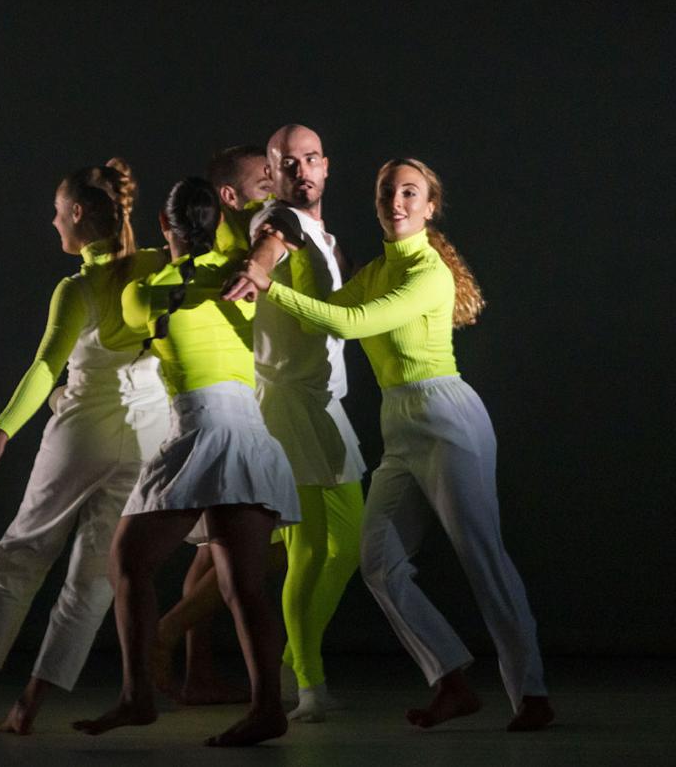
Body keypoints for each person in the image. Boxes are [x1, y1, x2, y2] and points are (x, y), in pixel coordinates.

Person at [225, 157, 555, 732]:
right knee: (378, 563)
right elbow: (317, 312)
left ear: (430, 207)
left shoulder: (428, 273)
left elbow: (347, 325)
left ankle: (532, 694)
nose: (396, 202)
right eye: (386, 194)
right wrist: (272, 240)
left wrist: (266, 283)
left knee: (482, 558)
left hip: (447, 418)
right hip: (400, 424)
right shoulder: (376, 271)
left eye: (409, 193)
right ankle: (450, 678)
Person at [0, 159, 170, 735]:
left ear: (79, 213)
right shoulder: (158, 266)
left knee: (23, 550)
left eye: (57, 211)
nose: (53, 220)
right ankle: (31, 702)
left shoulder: (78, 288)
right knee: (93, 577)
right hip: (146, 434)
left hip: (86, 429)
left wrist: (1, 430)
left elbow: (46, 367)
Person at [73, 177, 300, 747]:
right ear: (218, 223)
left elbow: (127, 326)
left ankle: (137, 696)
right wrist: (262, 249)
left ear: (162, 227)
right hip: (247, 429)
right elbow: (286, 223)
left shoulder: (145, 293)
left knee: (127, 561)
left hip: (200, 429)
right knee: (242, 585)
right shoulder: (240, 272)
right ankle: (268, 707)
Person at [150, 145, 284, 706]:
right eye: (265, 179)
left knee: (214, 549)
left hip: (246, 394)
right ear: (228, 198)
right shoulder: (233, 249)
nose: (276, 186)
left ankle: (197, 672)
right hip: (251, 398)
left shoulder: (256, 235)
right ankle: (169, 634)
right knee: (266, 545)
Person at [248, 124, 368, 722]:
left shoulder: (325, 234)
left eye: (311, 159)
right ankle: (310, 689)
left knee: (348, 542)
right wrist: (258, 266)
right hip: (289, 405)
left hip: (326, 403)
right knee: (308, 549)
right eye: (287, 163)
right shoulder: (282, 222)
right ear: (271, 174)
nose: (302, 170)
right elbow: (271, 243)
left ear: (326, 165)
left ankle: (293, 661)